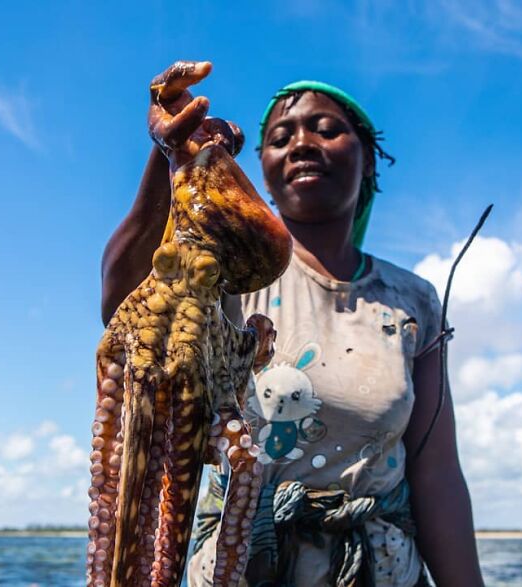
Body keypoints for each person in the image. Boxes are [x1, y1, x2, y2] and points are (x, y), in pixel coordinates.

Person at [101, 61, 484, 587]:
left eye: (327, 130)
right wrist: (170, 152)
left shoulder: (412, 301)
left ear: (369, 161)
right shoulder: (232, 269)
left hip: (379, 569)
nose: (303, 143)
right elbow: (127, 302)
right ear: (262, 169)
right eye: (282, 137)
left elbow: (436, 472)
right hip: (244, 568)